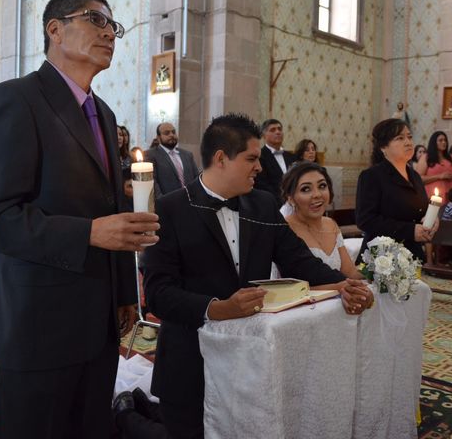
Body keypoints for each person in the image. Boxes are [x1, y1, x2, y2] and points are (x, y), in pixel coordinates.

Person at [0, 0, 160, 439]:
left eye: (114, 26)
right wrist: (89, 234)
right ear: (55, 29)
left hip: (98, 323)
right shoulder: (16, 99)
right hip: (38, 324)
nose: (109, 33)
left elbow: (109, 211)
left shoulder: (106, 114)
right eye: (96, 20)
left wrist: (124, 294)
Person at [142, 113, 373, 439]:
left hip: (249, 363)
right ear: (221, 158)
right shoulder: (170, 209)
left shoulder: (263, 205)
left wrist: (343, 283)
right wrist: (218, 308)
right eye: (251, 158)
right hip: (189, 363)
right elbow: (158, 293)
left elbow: (300, 261)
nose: (260, 167)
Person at [356, 118, 436, 263]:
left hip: (411, 255)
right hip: (382, 258)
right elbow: (365, 220)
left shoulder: (415, 176)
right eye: (400, 138)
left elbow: (419, 212)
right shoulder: (372, 176)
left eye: (409, 137)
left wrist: (431, 219)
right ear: (383, 147)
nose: (408, 142)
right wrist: (410, 230)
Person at [281, 161, 360, 278]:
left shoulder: (330, 224)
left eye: (322, 186)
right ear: (291, 198)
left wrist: (382, 270)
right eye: (306, 189)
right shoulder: (285, 228)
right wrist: (341, 287)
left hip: (340, 294)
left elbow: (350, 272)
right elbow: (295, 285)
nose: (317, 194)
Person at [145, 122, 199, 198]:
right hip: (167, 203)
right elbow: (153, 182)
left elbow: (196, 178)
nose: (171, 135)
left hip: (191, 202)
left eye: (173, 132)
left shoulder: (187, 155)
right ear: (158, 138)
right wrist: (162, 202)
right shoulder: (151, 155)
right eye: (166, 133)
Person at [254, 118, 297, 206]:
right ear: (264, 135)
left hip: (295, 203)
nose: (278, 132)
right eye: (273, 130)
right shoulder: (259, 156)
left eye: (279, 129)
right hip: (271, 204)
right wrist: (283, 200)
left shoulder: (291, 156)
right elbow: (261, 184)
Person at [415, 131, 452, 204]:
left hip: (451, 196)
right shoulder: (426, 157)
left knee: (449, 215)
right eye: (440, 140)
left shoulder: (450, 157)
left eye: (445, 140)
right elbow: (418, 179)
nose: (444, 142)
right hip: (433, 196)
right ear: (434, 142)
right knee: (434, 214)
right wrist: (439, 176)